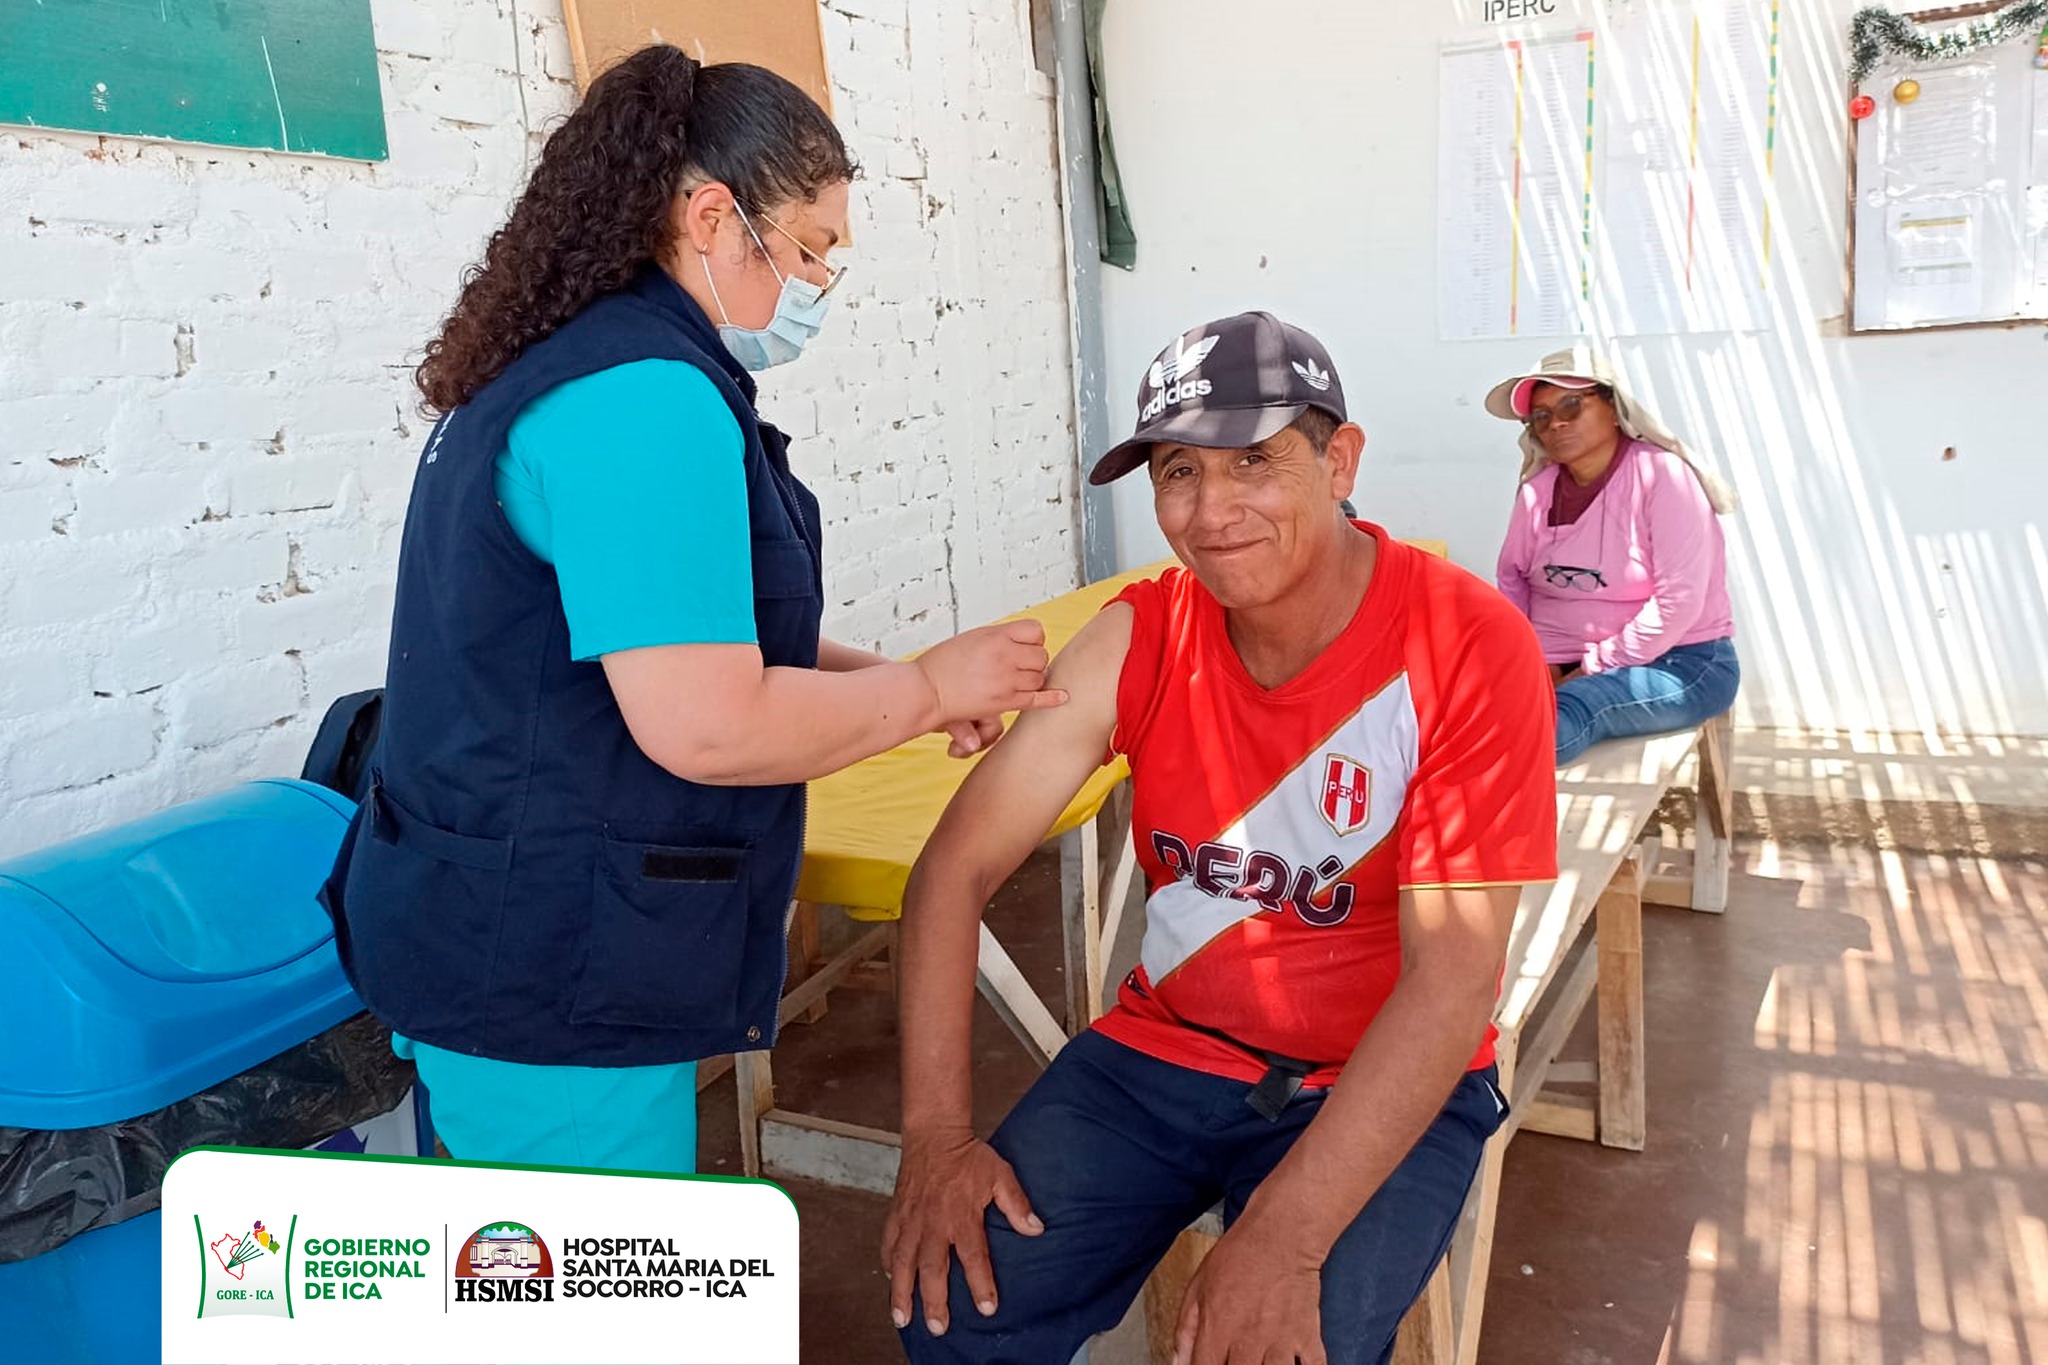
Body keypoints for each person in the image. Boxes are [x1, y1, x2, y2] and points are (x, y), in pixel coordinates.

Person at [321, 46, 1063, 1178]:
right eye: (806, 251)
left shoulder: (572, 365)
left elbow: (682, 623)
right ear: (714, 217)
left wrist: (902, 686)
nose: (811, 287)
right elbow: (705, 722)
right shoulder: (644, 403)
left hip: (484, 924)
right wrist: (921, 691)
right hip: (555, 973)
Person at [882, 312, 1559, 1365]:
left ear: (1339, 461)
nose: (1212, 510)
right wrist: (933, 1142)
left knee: (1283, 1345)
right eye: (1178, 471)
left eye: (1253, 462)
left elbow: (1452, 978)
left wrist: (1283, 1239)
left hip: (1373, 1076)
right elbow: (951, 871)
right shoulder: (1144, 631)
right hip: (1160, 1056)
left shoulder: (1465, 645)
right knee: (956, 1302)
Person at [1487, 347, 1741, 765]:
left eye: (1571, 403)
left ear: (1612, 405)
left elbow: (1678, 601)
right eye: (1541, 417)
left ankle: (1485, 782)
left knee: (1578, 705)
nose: (1557, 423)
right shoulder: (1538, 490)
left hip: (1680, 662)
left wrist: (1585, 670)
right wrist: (1531, 658)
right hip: (1559, 662)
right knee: (1466, 699)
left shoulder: (1663, 477)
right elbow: (1513, 579)